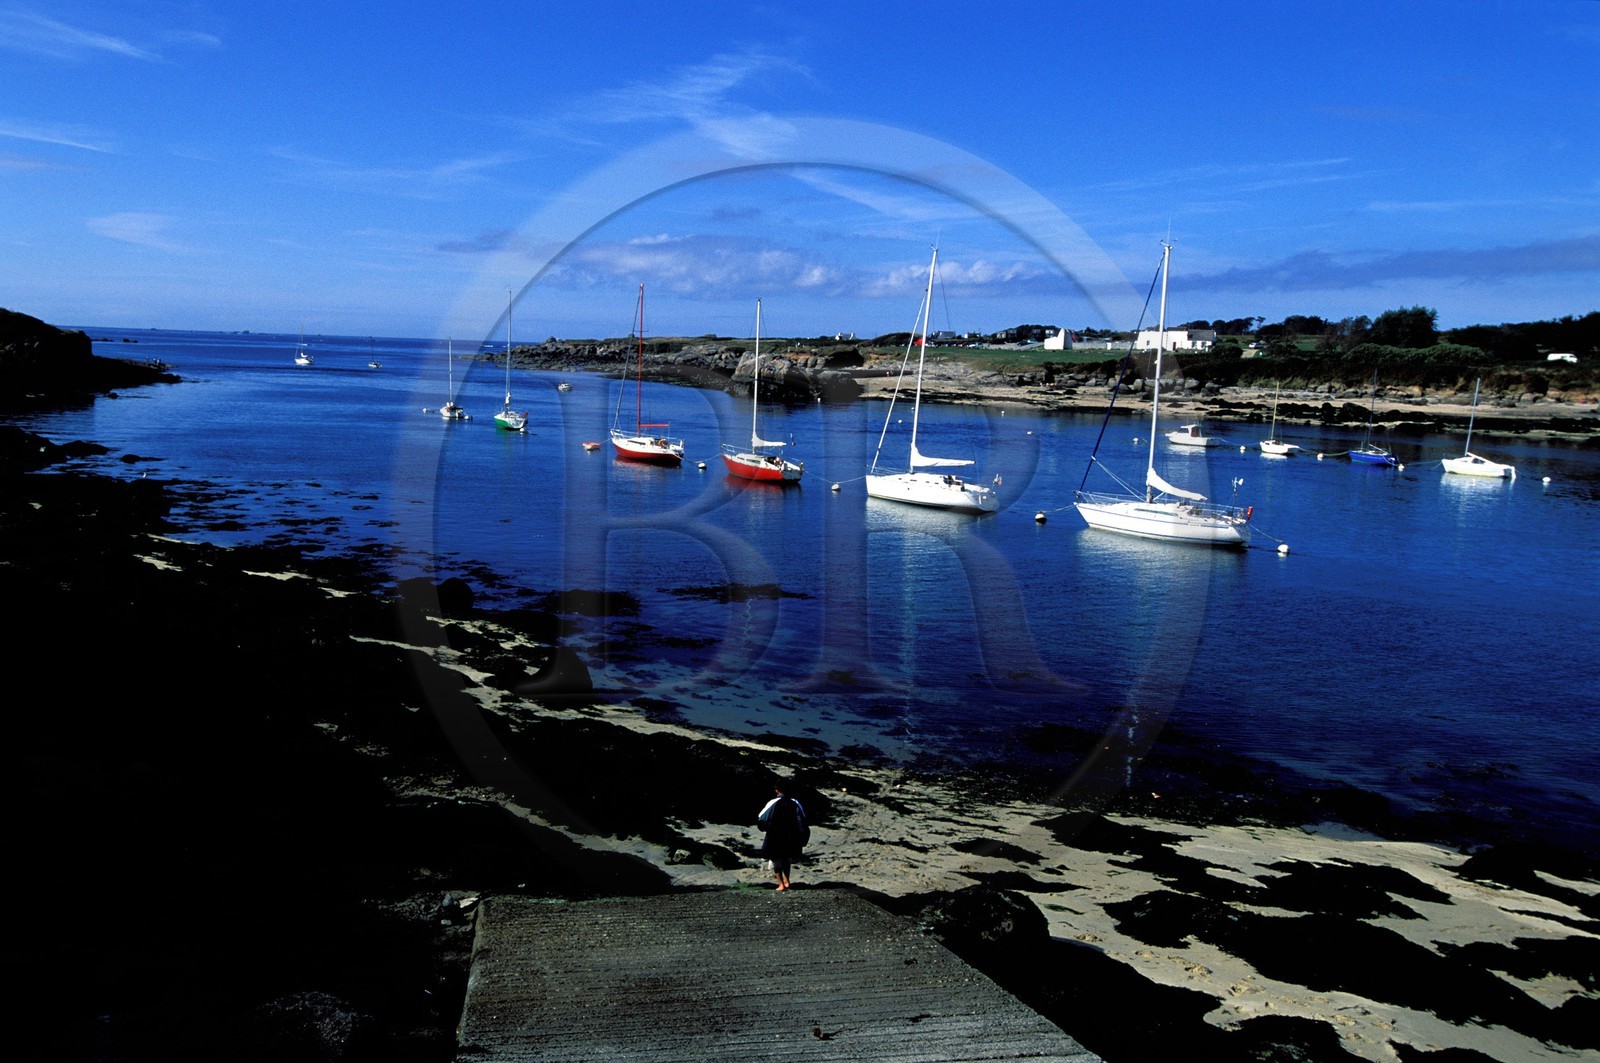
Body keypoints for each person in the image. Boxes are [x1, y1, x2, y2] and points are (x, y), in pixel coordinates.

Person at [757, 782, 807, 891]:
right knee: (787, 859)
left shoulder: (773, 802)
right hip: (791, 835)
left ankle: (781, 884)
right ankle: (787, 881)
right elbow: (802, 818)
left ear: (777, 790)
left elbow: (761, 818)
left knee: (776, 860)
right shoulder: (795, 802)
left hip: (775, 834)